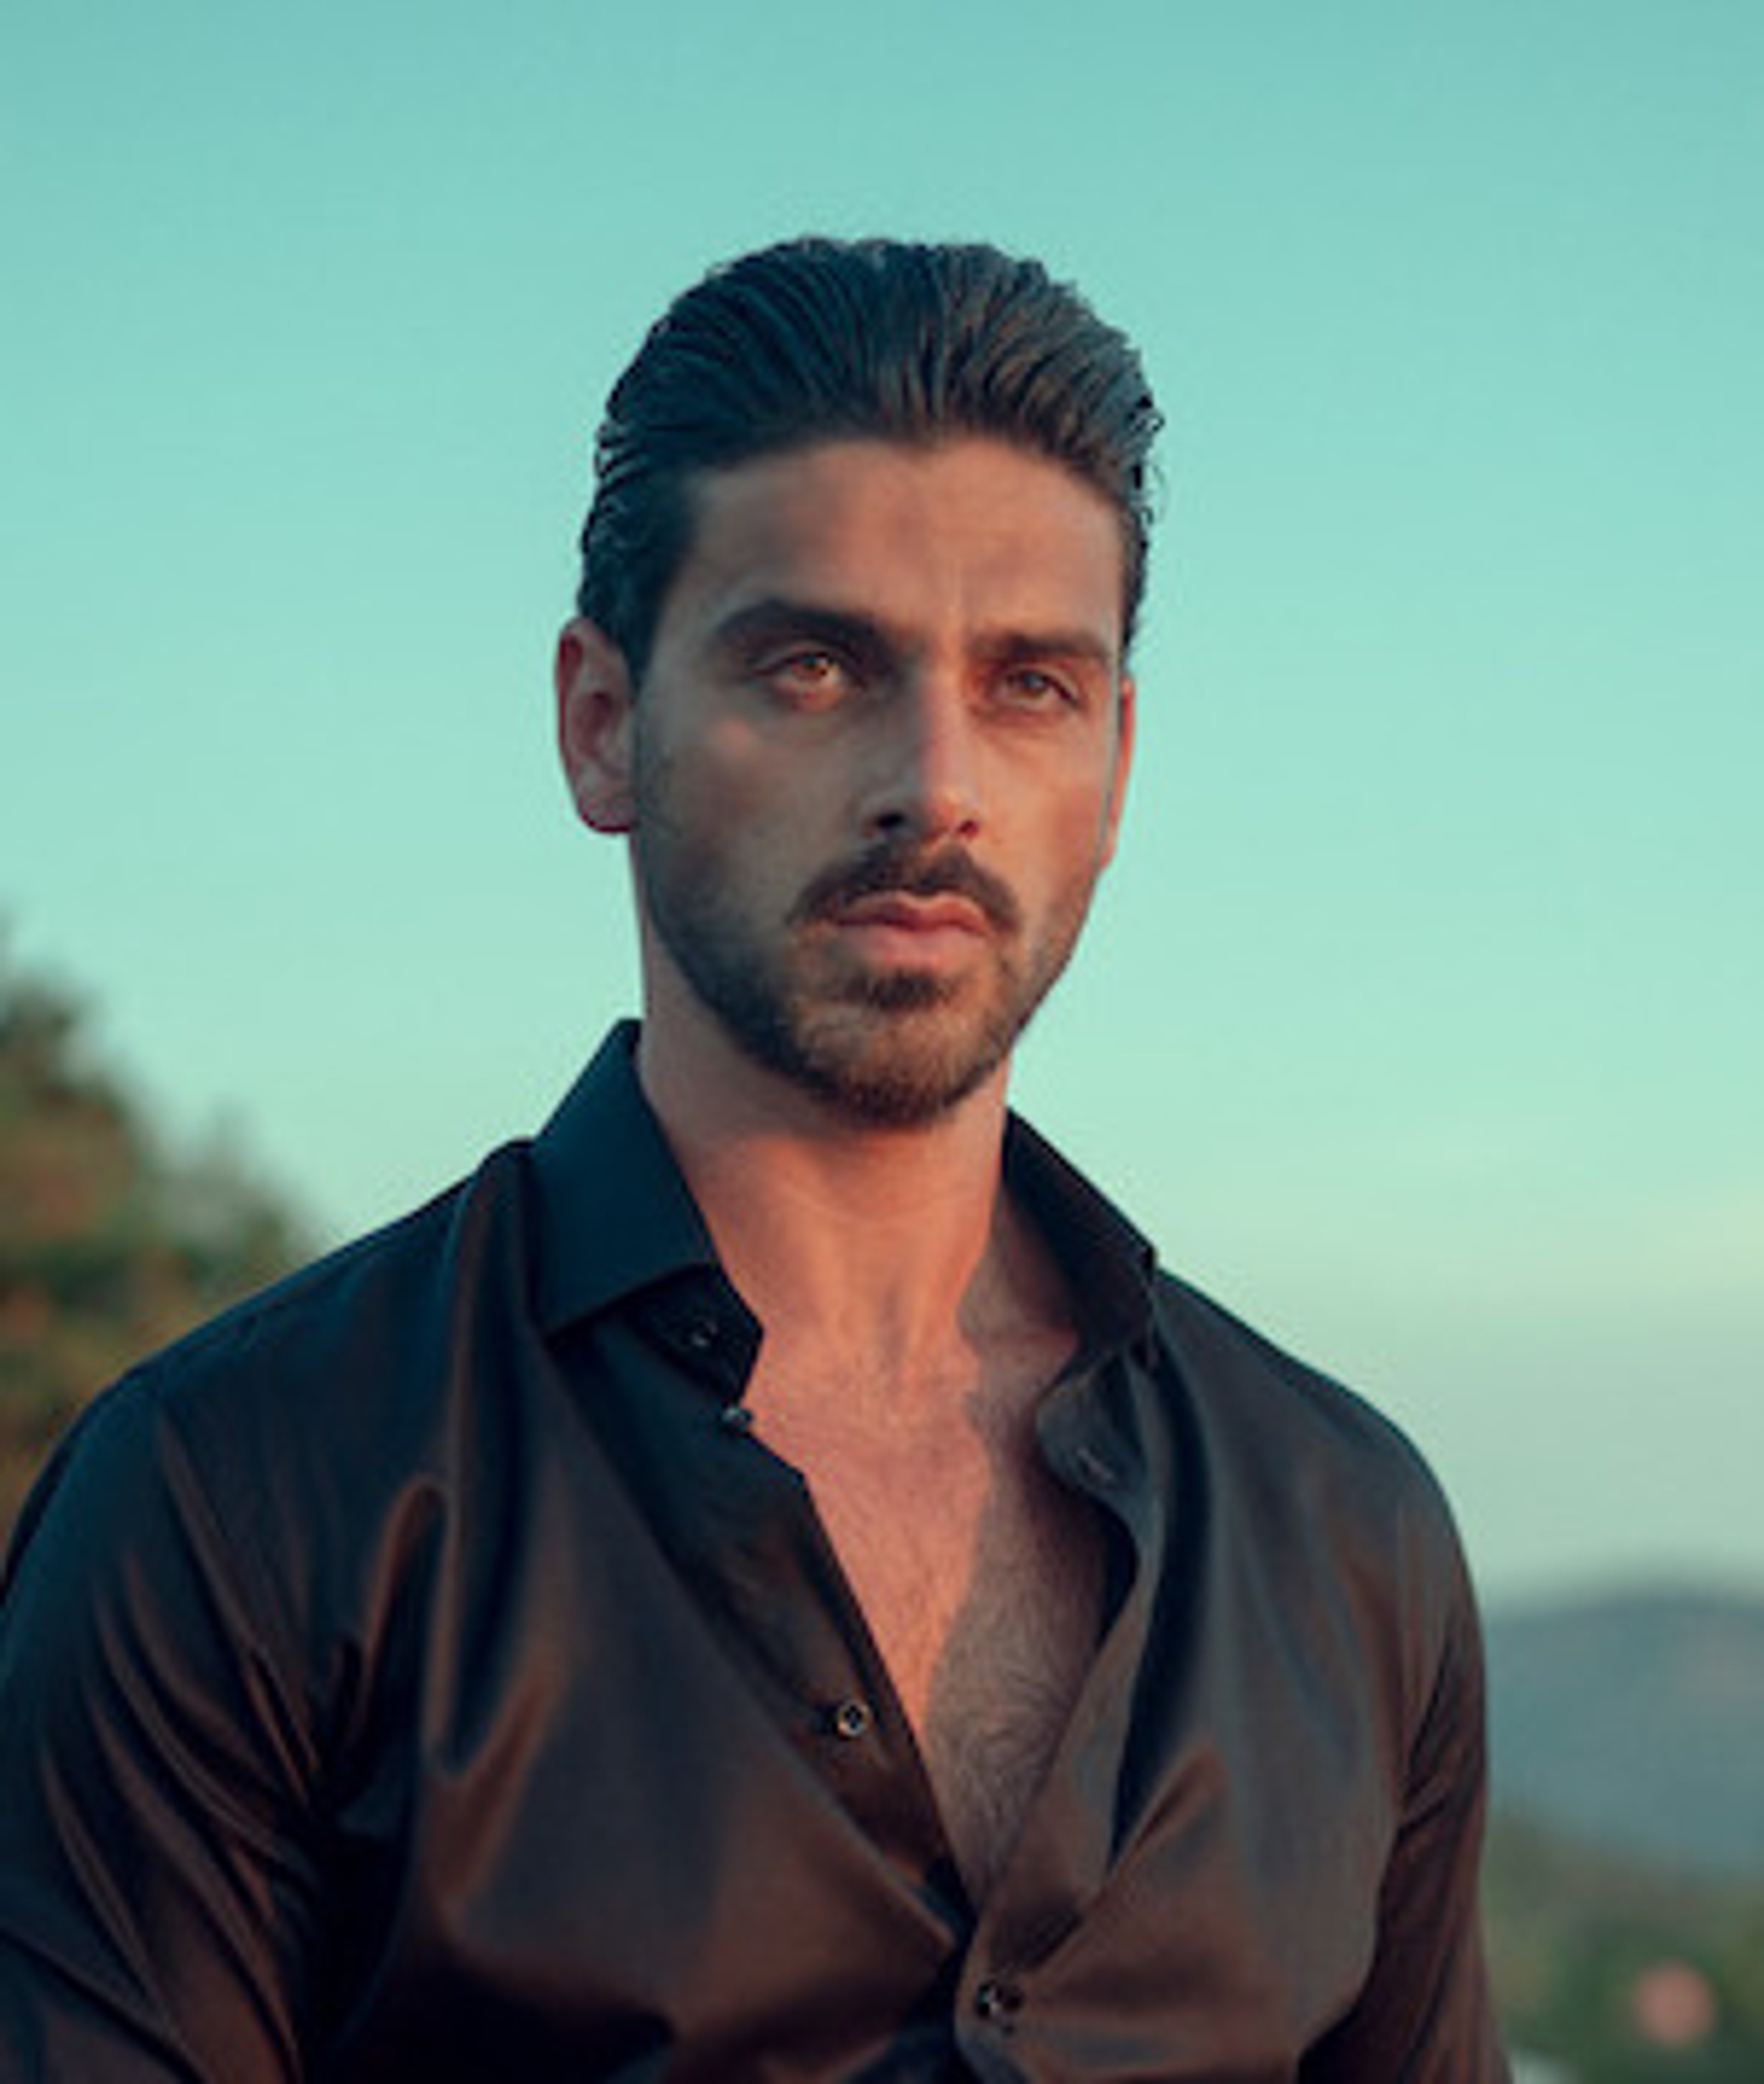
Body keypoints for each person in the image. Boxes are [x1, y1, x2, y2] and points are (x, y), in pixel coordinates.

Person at [0, 238, 1510, 2080]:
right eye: (815, 664)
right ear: (601, 720)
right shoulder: (231, 1499)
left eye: (1031, 682)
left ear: (1115, 763)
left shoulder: (1348, 1532)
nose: (933, 781)